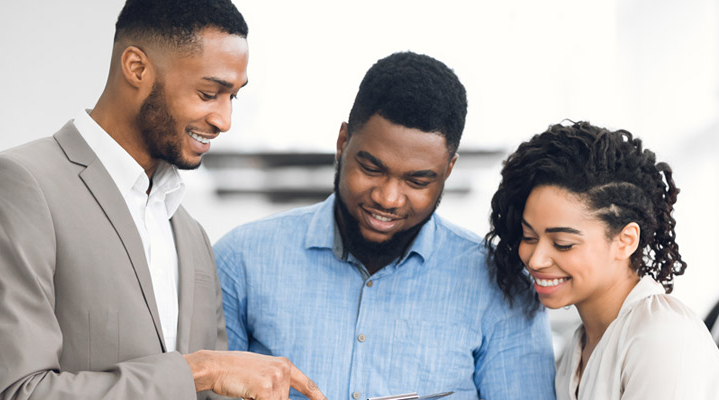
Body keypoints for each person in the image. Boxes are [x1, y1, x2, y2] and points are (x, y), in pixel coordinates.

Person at [0, 1, 326, 399]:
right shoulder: (16, 186)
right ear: (136, 68)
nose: (224, 120)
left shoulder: (191, 235)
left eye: (232, 97)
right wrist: (199, 371)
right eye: (208, 92)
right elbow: (15, 393)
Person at [214, 52, 555, 400]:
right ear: (342, 143)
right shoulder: (241, 261)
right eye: (372, 169)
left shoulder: (501, 284)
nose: (389, 198)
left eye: (418, 181)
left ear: (448, 170)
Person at [486, 121, 719, 399]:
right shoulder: (579, 346)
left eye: (562, 244)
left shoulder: (662, 337)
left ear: (625, 241)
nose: (537, 259)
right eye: (528, 237)